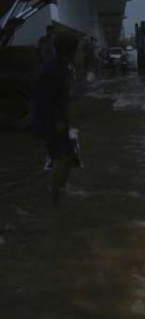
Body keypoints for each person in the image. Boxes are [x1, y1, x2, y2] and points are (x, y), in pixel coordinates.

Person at [29, 35, 80, 204]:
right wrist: (58, 120)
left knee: (70, 156)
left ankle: (61, 190)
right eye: (77, 49)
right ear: (71, 51)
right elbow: (48, 99)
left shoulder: (59, 66)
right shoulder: (56, 70)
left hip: (57, 120)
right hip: (50, 122)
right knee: (61, 158)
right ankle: (55, 199)